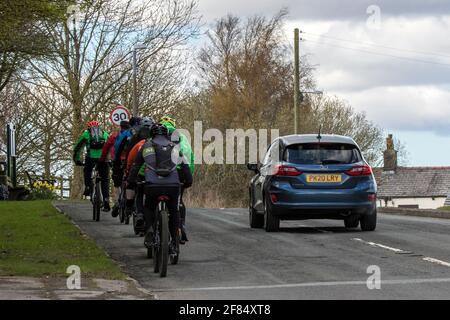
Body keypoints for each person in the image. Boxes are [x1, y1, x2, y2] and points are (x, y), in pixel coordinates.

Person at [127, 123, 192, 254]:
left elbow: (135, 166)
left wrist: (131, 182)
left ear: (151, 134)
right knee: (174, 211)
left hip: (152, 185)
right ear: (167, 134)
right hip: (173, 186)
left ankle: (150, 228)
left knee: (149, 207)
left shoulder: (146, 146)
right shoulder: (174, 147)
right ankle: (174, 242)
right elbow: (185, 166)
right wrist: (188, 182)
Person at [160, 115, 195, 244]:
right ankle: (181, 227)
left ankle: (153, 228)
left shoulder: (156, 135)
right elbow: (190, 157)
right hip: (180, 172)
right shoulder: (182, 136)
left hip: (159, 173)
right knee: (178, 201)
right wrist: (189, 175)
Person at [73, 121, 110, 210]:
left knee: (87, 170)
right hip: (103, 159)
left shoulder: (86, 134)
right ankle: (106, 201)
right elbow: (111, 146)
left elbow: (77, 147)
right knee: (105, 180)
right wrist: (110, 159)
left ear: (88, 128)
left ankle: (88, 187)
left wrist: (77, 159)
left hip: (90, 158)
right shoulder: (105, 134)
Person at [98, 120, 130, 216]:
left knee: (117, 184)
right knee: (131, 182)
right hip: (129, 161)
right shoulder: (132, 136)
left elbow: (105, 148)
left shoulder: (114, 136)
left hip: (117, 161)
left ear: (120, 127)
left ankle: (117, 202)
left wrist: (102, 160)